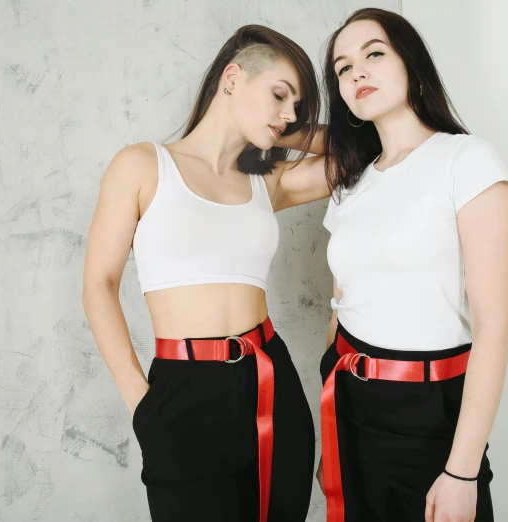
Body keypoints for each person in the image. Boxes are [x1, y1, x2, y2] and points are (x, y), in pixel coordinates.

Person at [82, 25, 329, 522]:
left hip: (270, 383)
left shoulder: (269, 181)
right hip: (182, 391)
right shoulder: (142, 165)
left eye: (296, 107)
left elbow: (363, 148)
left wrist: (283, 123)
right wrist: (141, 403)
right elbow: (98, 286)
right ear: (231, 78)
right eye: (279, 94)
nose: (287, 113)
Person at [316, 8, 508, 522]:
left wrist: (462, 471)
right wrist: (332, 429)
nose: (357, 72)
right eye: (343, 68)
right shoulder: (349, 187)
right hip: (351, 409)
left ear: (411, 63)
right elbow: (341, 304)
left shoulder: (465, 161)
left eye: (374, 54)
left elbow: (494, 326)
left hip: (430, 416)